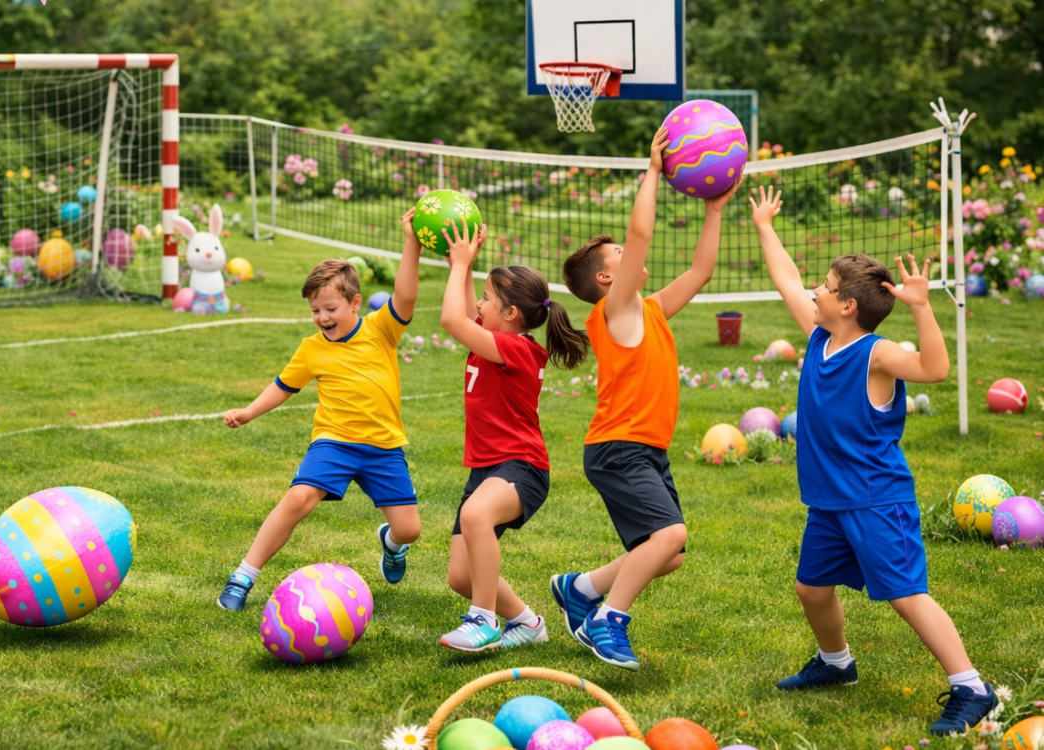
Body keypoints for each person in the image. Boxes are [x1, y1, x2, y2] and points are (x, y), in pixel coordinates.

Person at [748, 185, 998, 735]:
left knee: (907, 597)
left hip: (875, 499)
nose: (817, 289)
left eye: (829, 287)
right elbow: (788, 279)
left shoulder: (876, 355)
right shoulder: (818, 337)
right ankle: (837, 664)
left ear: (849, 306)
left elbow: (934, 369)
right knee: (812, 587)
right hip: (830, 500)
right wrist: (766, 227)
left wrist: (922, 307)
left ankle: (971, 688)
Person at [550, 127, 741, 671]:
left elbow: (701, 272)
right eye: (619, 255)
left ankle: (581, 588)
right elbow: (639, 235)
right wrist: (653, 172)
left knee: (670, 553)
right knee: (670, 533)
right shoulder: (616, 310)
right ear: (609, 276)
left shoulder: (649, 308)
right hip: (619, 447)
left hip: (643, 448)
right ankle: (610, 621)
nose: (631, 254)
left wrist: (715, 209)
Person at [214, 210, 423, 611]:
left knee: (409, 530)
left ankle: (391, 545)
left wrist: (410, 241)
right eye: (315, 311)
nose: (323, 318)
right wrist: (248, 412)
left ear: (355, 302)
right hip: (334, 443)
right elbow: (283, 386)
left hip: (383, 447)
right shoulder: (312, 349)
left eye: (331, 308)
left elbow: (407, 296)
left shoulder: (382, 329)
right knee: (298, 499)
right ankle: (242, 578)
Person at [435, 217, 590, 651]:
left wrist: (459, 266)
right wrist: (463, 267)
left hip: (521, 466)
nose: (478, 306)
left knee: (475, 517)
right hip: (486, 468)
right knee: (460, 576)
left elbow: (451, 318)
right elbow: (465, 315)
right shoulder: (493, 336)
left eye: (487, 299)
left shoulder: (517, 348)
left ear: (511, 315)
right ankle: (527, 622)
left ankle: (482, 620)